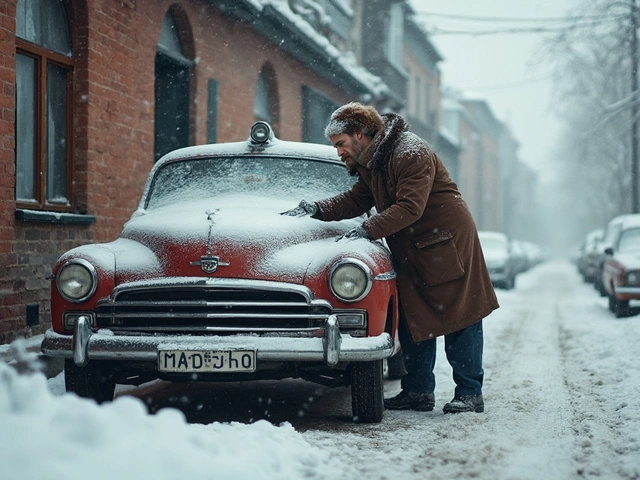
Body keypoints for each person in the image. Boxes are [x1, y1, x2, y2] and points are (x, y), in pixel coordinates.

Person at [281, 102, 499, 414]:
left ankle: (469, 392)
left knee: (459, 317)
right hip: (411, 245)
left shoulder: (409, 152)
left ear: (359, 134)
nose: (338, 152)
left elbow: (411, 207)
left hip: (445, 242)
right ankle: (418, 391)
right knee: (414, 319)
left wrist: (367, 230)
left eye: (340, 144)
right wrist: (318, 208)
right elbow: (358, 199)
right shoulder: (374, 161)